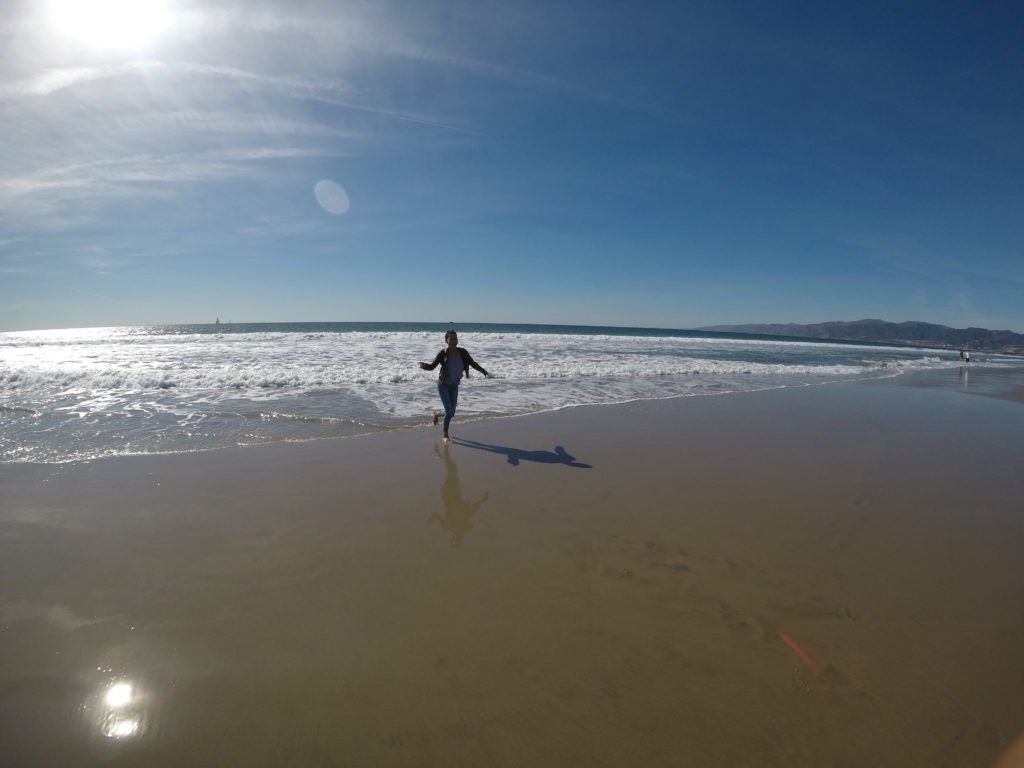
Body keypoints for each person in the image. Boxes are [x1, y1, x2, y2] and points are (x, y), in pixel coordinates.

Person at [418, 329, 490, 442]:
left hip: (454, 385)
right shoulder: (443, 353)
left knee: (451, 412)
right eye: (451, 339)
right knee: (450, 412)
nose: (453, 341)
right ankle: (445, 435)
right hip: (443, 385)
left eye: (455, 339)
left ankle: (437, 413)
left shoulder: (463, 352)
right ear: (446, 340)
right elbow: (432, 367)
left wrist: (484, 372)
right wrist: (424, 366)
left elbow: (473, 363)